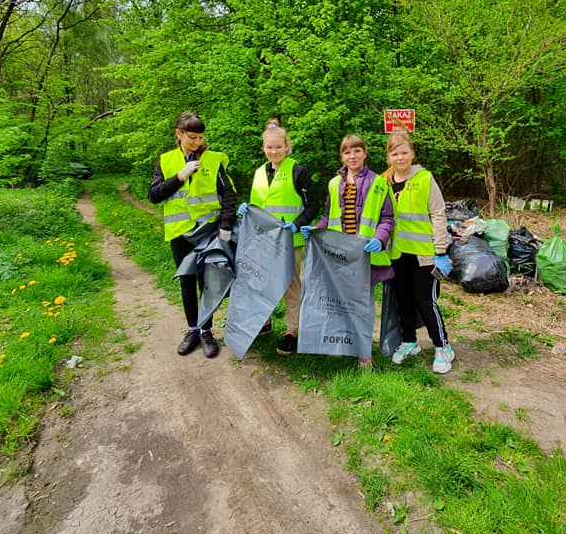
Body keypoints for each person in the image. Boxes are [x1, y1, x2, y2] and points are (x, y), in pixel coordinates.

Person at [149, 111, 237, 358]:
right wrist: (180, 176)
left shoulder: (214, 159)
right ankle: (192, 330)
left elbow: (229, 195)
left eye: (200, 137)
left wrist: (226, 226)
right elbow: (154, 195)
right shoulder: (166, 161)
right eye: (191, 137)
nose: (197, 142)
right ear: (179, 134)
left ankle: (207, 331)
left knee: (207, 283)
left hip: (208, 232)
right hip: (180, 233)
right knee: (187, 281)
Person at [302, 134, 394, 368]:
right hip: (338, 256)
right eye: (347, 152)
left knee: (362, 304)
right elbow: (329, 216)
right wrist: (316, 229)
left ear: (365, 153)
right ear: (341, 156)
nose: (352, 156)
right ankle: (342, 344)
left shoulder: (378, 182)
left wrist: (379, 239)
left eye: (356, 151)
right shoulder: (334, 184)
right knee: (339, 302)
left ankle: (364, 352)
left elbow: (387, 218)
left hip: (364, 256)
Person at [238, 120, 319, 355]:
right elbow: (258, 204)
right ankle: (263, 323)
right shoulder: (259, 173)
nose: (274, 151)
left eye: (278, 147)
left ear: (286, 147)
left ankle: (292, 331)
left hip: (289, 241)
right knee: (262, 284)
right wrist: (246, 209)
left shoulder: (298, 171)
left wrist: (297, 225)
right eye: (269, 147)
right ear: (263, 148)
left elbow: (312, 206)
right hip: (262, 241)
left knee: (291, 286)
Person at [384, 131, 455, 374]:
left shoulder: (425, 179)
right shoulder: (385, 182)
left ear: (412, 154)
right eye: (395, 153)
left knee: (425, 301)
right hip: (397, 254)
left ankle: (443, 347)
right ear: (388, 157)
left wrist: (441, 250)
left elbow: (438, 213)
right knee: (402, 300)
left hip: (424, 255)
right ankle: (409, 341)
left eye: (404, 152)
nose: (400, 157)